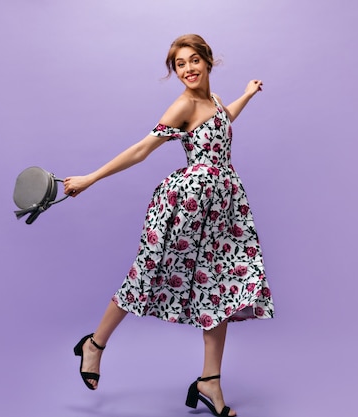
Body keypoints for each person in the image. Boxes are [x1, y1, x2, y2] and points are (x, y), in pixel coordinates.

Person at [63, 34, 274, 417]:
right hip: (185, 207)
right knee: (146, 276)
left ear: (209, 62)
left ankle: (210, 381)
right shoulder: (183, 105)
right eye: (180, 64)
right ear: (175, 71)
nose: (188, 69)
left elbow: (222, 121)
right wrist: (90, 178)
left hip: (222, 211)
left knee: (221, 288)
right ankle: (94, 344)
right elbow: (142, 149)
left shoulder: (214, 102)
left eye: (194, 60)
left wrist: (247, 94)